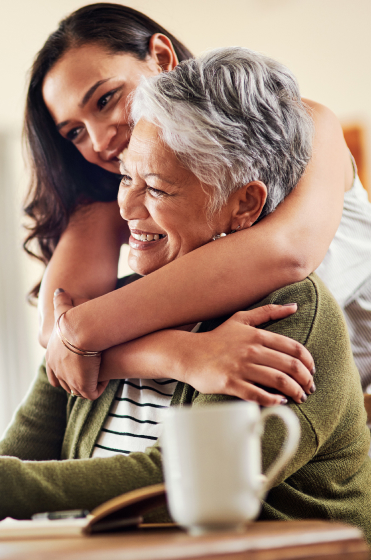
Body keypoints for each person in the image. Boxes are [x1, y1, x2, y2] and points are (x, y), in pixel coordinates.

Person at [0, 47, 370, 542]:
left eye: (157, 188)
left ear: (243, 204)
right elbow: (18, 461)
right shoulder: (115, 306)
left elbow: (171, 481)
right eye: (127, 178)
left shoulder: (289, 311)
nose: (127, 210)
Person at [26, 3, 371, 401]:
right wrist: (181, 355)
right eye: (75, 132)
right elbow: (56, 331)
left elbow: (288, 253)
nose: (101, 141)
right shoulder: (115, 196)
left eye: (105, 100)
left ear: (160, 56)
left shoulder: (303, 125)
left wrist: (84, 332)